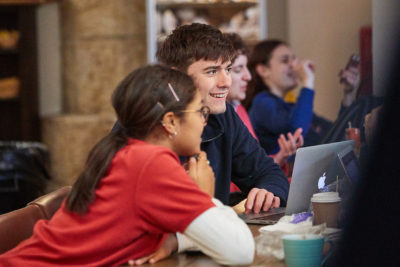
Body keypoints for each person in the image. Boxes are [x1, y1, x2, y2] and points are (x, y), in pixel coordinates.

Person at [0, 65, 254, 266]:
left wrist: (175, 240)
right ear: (170, 122)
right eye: (200, 112)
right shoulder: (151, 163)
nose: (203, 123)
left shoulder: (134, 154)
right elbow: (240, 251)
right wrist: (204, 197)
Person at [156, 23, 289, 213]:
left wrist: (267, 192)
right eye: (211, 71)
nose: (226, 82)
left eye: (227, 69)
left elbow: (268, 172)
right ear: (176, 76)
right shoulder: (144, 128)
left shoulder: (223, 115)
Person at [224, 33, 303, 176]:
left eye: (246, 68)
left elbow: (253, 166)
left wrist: (281, 156)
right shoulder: (262, 102)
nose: (248, 76)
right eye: (238, 69)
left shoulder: (238, 108)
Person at [246, 39, 331, 155]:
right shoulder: (261, 103)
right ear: (263, 70)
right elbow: (297, 132)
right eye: (285, 61)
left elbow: (331, 129)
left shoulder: (290, 104)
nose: (293, 65)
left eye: (293, 59)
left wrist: (348, 94)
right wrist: (308, 83)